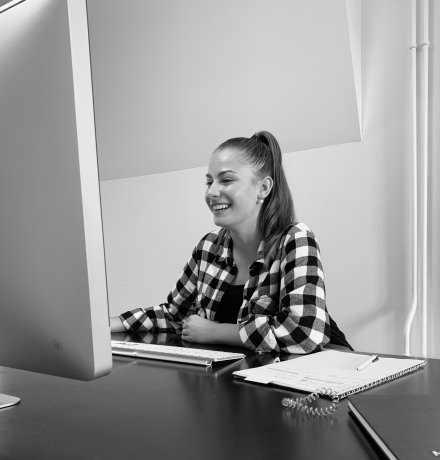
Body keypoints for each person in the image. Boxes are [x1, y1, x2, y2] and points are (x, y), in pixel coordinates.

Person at [110, 131, 352, 354]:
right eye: (209, 182)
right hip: (250, 373)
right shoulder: (207, 248)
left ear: (263, 188)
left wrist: (215, 332)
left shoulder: (294, 238)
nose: (211, 192)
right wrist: (106, 326)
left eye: (226, 180)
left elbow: (304, 333)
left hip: (324, 373)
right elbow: (174, 315)